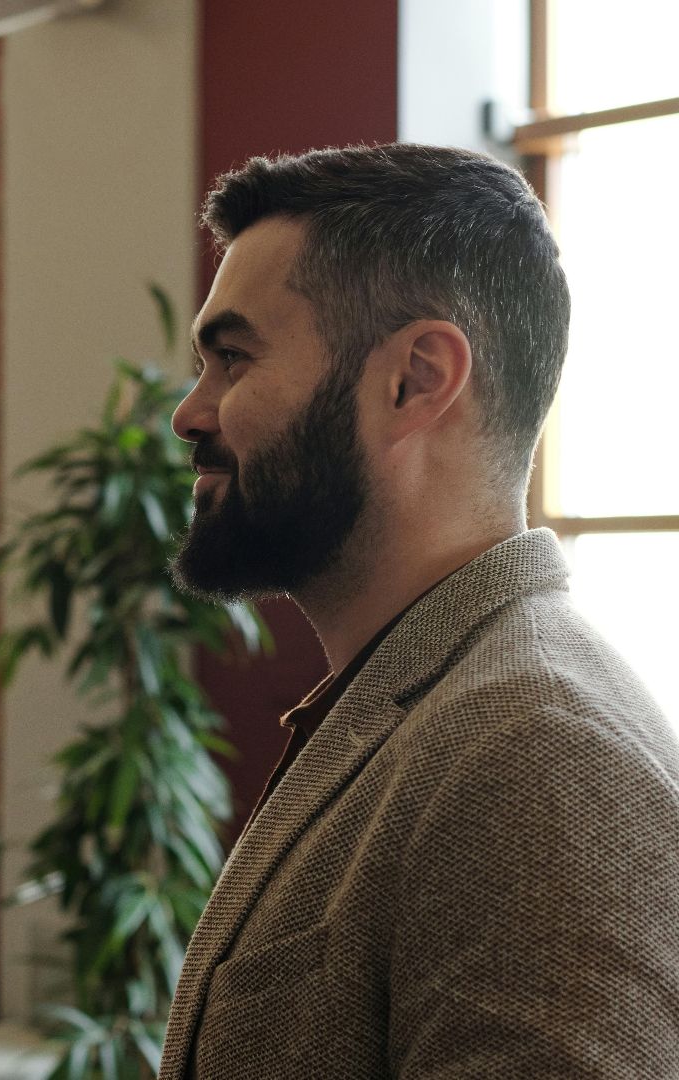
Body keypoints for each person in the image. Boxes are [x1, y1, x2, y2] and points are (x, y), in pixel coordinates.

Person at [159, 142, 679, 1078]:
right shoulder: (441, 705)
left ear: (416, 379)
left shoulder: (534, 750)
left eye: (234, 358)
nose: (190, 414)